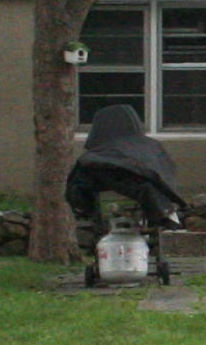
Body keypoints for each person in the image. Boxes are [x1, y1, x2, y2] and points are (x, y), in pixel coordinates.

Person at [64, 103, 187, 278]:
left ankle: (104, 267)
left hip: (106, 198)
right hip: (141, 198)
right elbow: (162, 172)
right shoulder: (150, 148)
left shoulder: (93, 157)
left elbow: (77, 190)